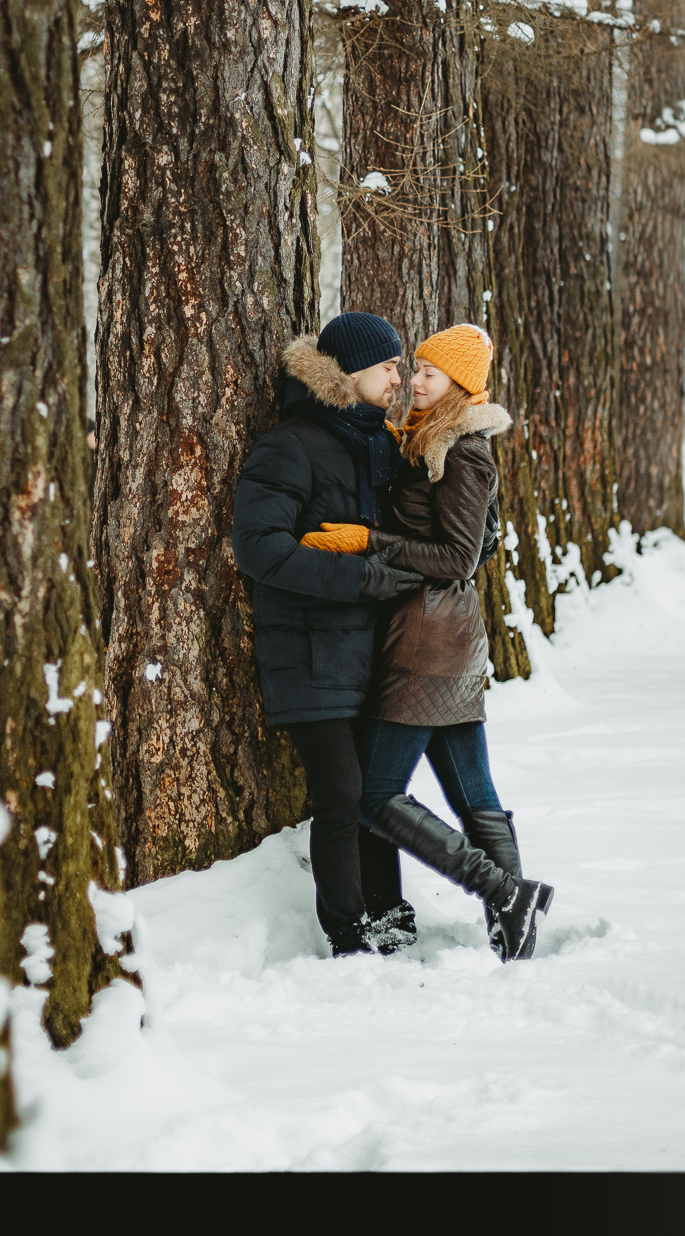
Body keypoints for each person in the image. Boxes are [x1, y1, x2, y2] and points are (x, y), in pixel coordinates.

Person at [354, 323, 554, 962]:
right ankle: (513, 927)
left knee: (375, 795)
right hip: (448, 637)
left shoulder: (461, 448)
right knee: (474, 794)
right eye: (412, 371)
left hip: (428, 638)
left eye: (427, 375)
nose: (413, 381)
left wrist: (370, 542)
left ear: (458, 387)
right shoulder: (426, 440)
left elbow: (459, 555)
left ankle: (503, 891)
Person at [231, 312, 425, 957]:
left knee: (378, 792)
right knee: (341, 794)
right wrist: (360, 581)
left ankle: (390, 915)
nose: (399, 376)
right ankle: (348, 931)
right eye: (389, 364)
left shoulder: (381, 443)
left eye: (401, 365)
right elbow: (261, 549)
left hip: (375, 650)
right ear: (350, 370)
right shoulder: (291, 444)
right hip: (309, 650)